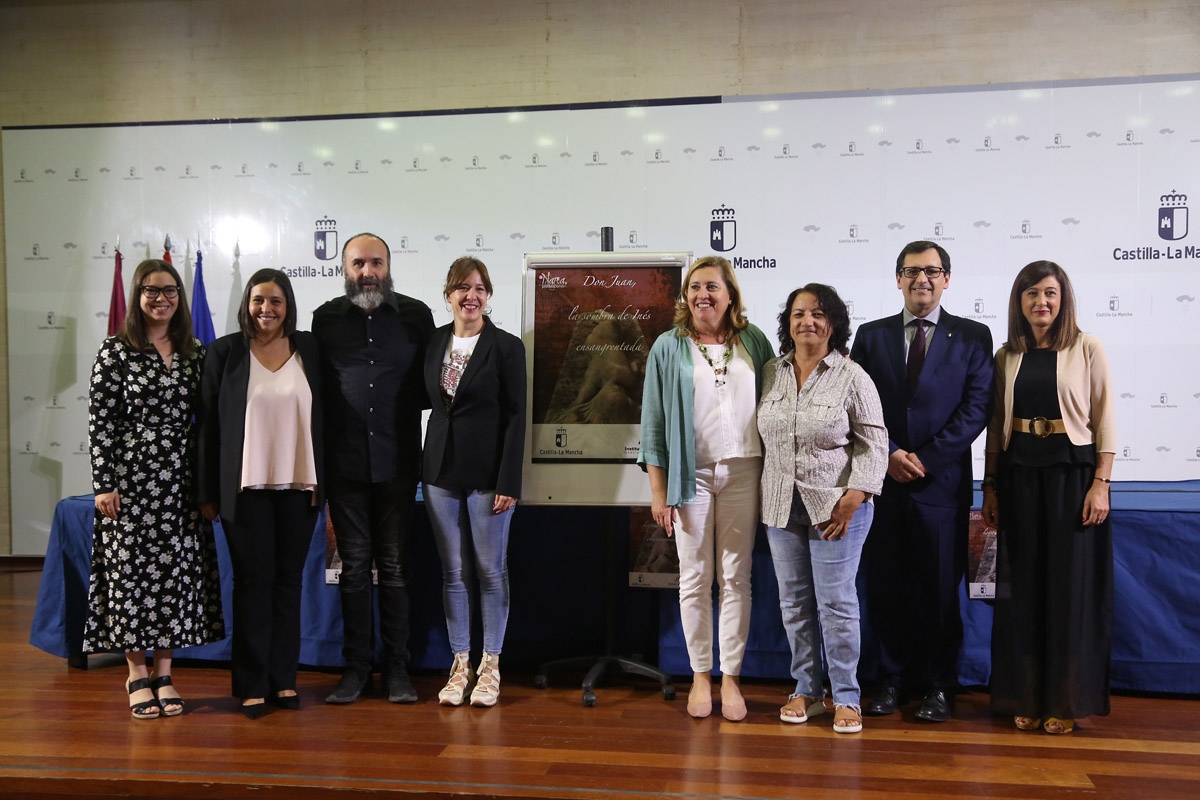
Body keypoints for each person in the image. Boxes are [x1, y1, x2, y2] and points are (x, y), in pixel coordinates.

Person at [849, 241, 994, 722]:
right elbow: (858, 406)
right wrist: (888, 453)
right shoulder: (870, 337)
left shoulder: (973, 336)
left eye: (932, 271)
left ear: (947, 279)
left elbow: (976, 408)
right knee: (886, 586)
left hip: (941, 485)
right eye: (912, 271)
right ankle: (888, 680)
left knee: (937, 591)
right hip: (882, 483)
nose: (922, 279)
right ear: (897, 279)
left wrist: (925, 459)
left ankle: (938, 685)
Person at [84, 258, 224, 719]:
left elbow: (207, 421)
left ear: (180, 297)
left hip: (181, 483)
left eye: (169, 291)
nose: (161, 299)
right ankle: (135, 674)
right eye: (150, 290)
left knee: (173, 579)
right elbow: (100, 421)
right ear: (137, 296)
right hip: (131, 482)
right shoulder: (116, 350)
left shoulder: (195, 351)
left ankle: (165, 673)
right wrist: (104, 482)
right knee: (131, 578)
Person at [981, 260, 1115, 735]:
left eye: (1051, 293)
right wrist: (990, 486)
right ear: (1019, 302)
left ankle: (1062, 700)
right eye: (1032, 293)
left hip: (1072, 478)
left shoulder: (1087, 347)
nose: (1042, 302)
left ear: (1064, 300)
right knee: (1022, 594)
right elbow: (996, 428)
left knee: (1067, 591)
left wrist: (1102, 482)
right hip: (1019, 479)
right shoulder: (1006, 356)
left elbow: (1104, 418)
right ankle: (1026, 695)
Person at [638, 255, 774, 721]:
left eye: (712, 287)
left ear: (730, 294)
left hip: (744, 473)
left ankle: (731, 678)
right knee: (695, 578)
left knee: (737, 578)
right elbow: (654, 425)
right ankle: (700, 675)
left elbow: (780, 402)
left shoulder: (754, 341)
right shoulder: (667, 346)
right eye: (695, 287)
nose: (702, 295)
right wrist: (659, 492)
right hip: (689, 476)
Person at [758, 284, 887, 735]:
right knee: (794, 604)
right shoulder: (770, 372)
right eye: (798, 313)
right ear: (787, 322)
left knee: (836, 604)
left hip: (837, 509)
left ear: (833, 323)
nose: (807, 321)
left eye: (817, 314)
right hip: (779, 505)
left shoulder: (852, 376)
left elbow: (875, 444)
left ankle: (847, 696)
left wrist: (857, 495)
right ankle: (807, 690)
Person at [313, 232, 434, 704]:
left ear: (389, 266)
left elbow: (434, 384)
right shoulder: (324, 319)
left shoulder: (416, 315)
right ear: (345, 268)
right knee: (355, 569)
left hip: (399, 462)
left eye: (376, 263)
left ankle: (398, 670)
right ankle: (356, 670)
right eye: (359, 263)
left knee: (398, 568)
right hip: (343, 466)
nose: (368, 272)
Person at [197, 269, 323, 718]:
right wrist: (207, 491)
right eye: (258, 301)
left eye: (275, 300)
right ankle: (251, 684)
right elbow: (208, 427)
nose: (266, 309)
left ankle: (283, 682)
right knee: (252, 585)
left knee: (288, 585)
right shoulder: (225, 352)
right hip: (243, 491)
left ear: (288, 304)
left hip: (300, 487)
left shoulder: (309, 348)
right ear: (246, 305)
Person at [422, 257, 526, 707]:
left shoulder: (506, 346)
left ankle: (491, 665)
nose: (472, 295)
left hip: (489, 477)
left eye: (480, 288)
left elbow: (516, 417)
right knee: (453, 572)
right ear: (448, 294)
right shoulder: (432, 343)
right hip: (440, 473)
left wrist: (509, 480)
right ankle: (459, 663)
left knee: (489, 570)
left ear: (488, 295)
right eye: (463, 287)